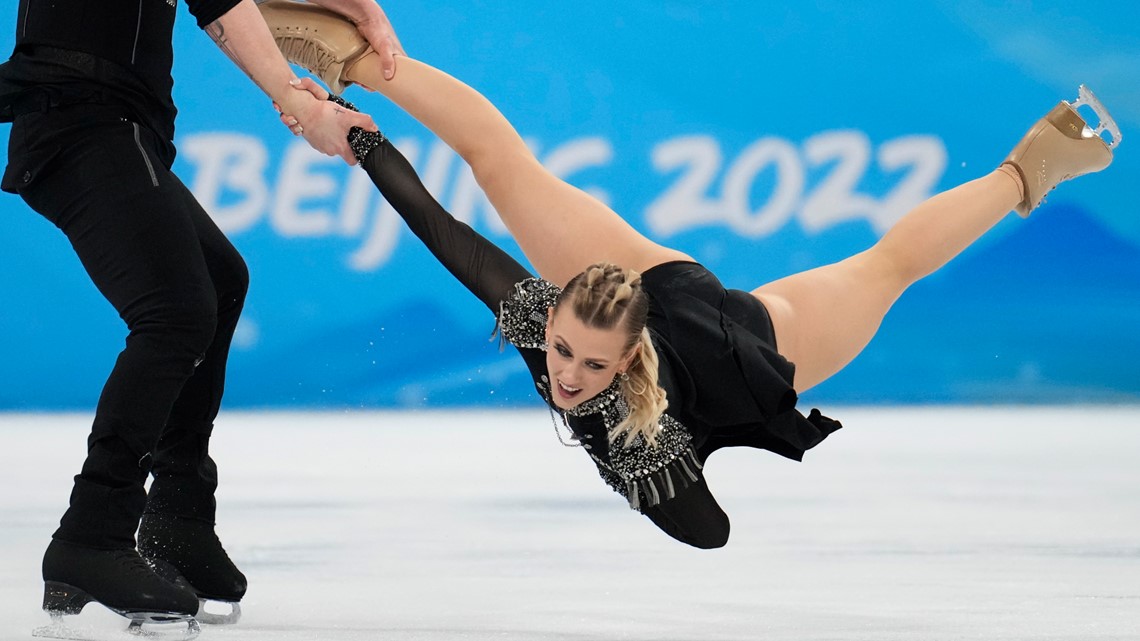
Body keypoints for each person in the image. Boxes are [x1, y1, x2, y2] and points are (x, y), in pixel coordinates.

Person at [267, 4, 1118, 549]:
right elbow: (442, 227)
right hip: (696, 312)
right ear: (556, 315)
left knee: (886, 267)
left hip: (726, 346)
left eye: (586, 368)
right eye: (563, 351)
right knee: (500, 164)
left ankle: (1031, 167)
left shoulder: (634, 415)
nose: (563, 375)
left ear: (627, 357)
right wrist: (359, 137)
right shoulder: (547, 321)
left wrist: (653, 467)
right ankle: (355, 53)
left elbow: (706, 531)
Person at [0, 0, 401, 634]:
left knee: (220, 281)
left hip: (116, 126)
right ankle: (91, 535)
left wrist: (353, 10)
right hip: (76, 121)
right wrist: (300, 101)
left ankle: (178, 519)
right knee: (176, 311)